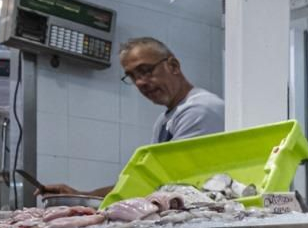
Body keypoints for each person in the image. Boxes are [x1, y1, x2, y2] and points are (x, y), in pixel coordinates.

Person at [42, 37, 225, 197]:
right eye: (132, 76)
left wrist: (87, 199)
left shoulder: (199, 109)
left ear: (173, 66)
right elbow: (147, 181)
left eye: (146, 71)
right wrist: (82, 196)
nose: (140, 83)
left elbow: (165, 183)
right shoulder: (165, 120)